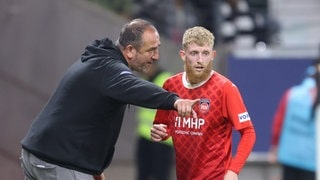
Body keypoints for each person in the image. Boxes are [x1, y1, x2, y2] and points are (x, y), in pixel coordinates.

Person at [20, 18, 199, 180]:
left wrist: (95, 170)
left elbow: (87, 119)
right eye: (151, 50)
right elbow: (136, 87)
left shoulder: (101, 62)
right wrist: (175, 101)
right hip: (59, 163)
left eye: (157, 48)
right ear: (129, 50)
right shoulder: (111, 70)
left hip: (39, 155)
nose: (156, 56)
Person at [150, 26, 256, 180]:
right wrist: (160, 132)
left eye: (205, 53)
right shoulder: (171, 85)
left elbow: (248, 132)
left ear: (213, 55)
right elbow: (164, 125)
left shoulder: (225, 89)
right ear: (183, 55)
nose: (200, 60)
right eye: (194, 53)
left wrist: (233, 171)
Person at [268, 59, 320, 180]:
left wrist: (275, 147)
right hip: (312, 160)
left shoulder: (291, 94)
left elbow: (278, 123)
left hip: (289, 156)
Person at [135, 63, 174, 180]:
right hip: (144, 136)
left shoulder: (167, 80)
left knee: (161, 175)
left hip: (162, 139)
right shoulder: (144, 80)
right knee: (142, 174)